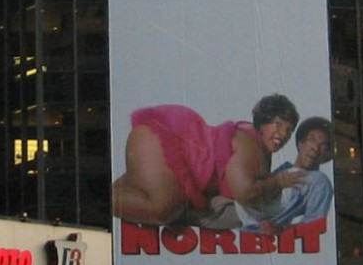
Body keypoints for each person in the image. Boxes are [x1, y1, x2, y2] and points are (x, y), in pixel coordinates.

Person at [111, 95, 305, 227]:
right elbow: (246, 193)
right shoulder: (250, 144)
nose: (283, 134)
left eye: (289, 130)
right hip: (164, 138)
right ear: (263, 122)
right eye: (277, 125)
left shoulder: (262, 152)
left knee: (166, 201)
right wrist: (279, 181)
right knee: (163, 209)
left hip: (161, 144)